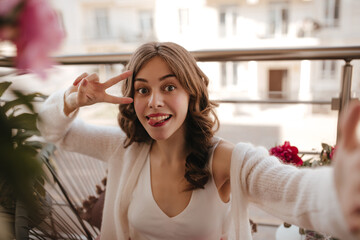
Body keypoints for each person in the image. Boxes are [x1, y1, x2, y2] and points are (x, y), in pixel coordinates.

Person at [37, 42, 360, 240]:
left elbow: (294, 192)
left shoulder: (226, 159)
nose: (154, 102)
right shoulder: (124, 147)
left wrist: (341, 194)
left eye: (169, 87)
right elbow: (54, 131)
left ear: (192, 94)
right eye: (142, 89)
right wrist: (72, 99)